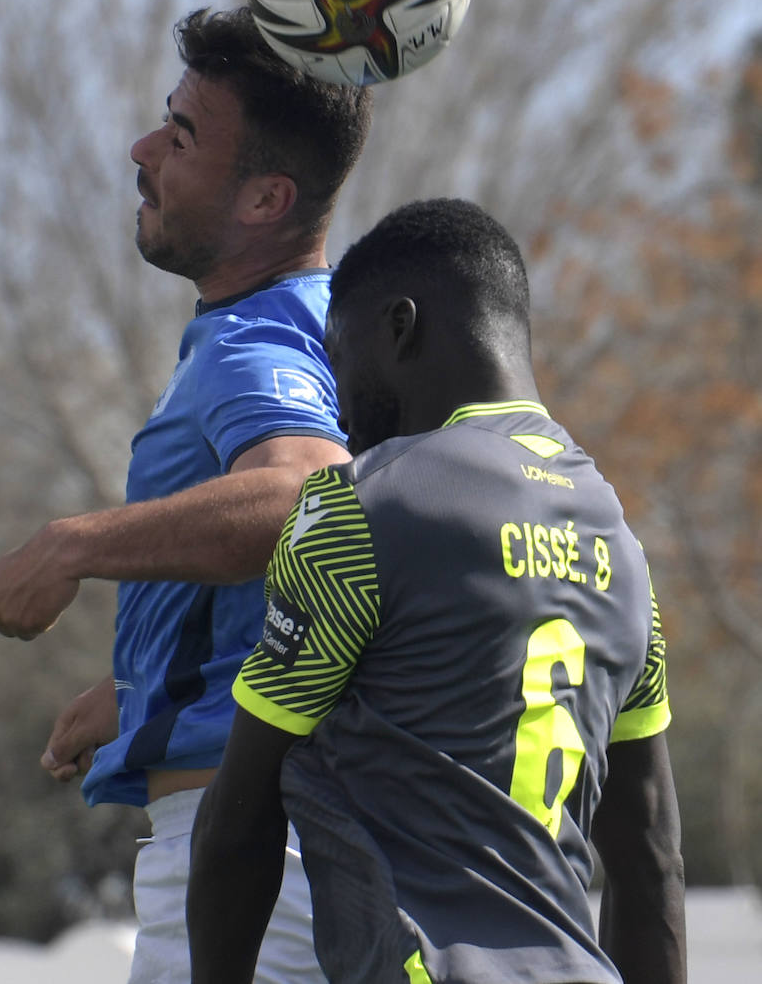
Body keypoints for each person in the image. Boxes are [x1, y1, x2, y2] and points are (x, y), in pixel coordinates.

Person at [0, 5, 372, 982]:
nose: (142, 150)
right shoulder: (338, 327)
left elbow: (303, 494)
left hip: (254, 866)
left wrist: (73, 545)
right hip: (304, 848)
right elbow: (354, 560)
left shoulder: (253, 343)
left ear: (265, 199)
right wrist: (156, 678)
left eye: (181, 136)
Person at [187, 197, 686, 984]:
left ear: (399, 328)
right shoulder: (622, 551)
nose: (339, 412)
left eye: (339, 361)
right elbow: (650, 856)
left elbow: (236, 824)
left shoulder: (357, 508)